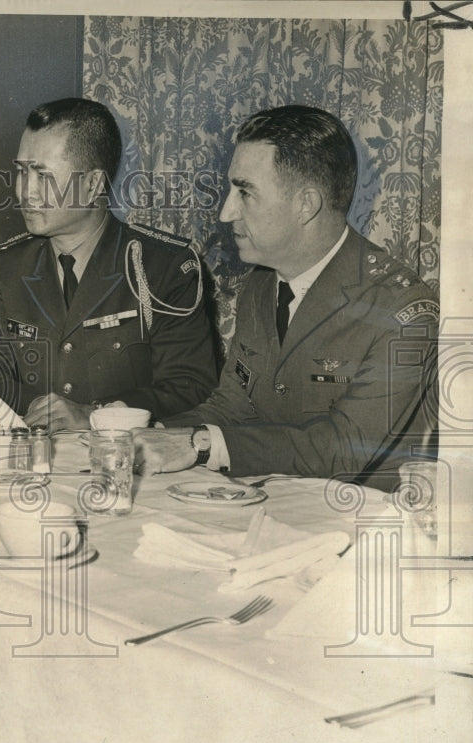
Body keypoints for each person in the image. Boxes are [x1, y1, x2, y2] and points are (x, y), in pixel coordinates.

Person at [134, 104, 438, 490]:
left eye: (245, 192)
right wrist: (149, 434)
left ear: (305, 205)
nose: (226, 212)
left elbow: (344, 451)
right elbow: (232, 406)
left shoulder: (401, 311)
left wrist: (202, 445)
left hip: (362, 515)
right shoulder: (262, 283)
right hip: (275, 501)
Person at [0, 97, 218, 431]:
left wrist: (95, 415)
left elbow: (191, 387)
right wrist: (40, 409)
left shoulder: (163, 267)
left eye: (43, 176)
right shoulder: (8, 267)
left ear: (93, 185)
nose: (24, 191)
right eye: (21, 171)